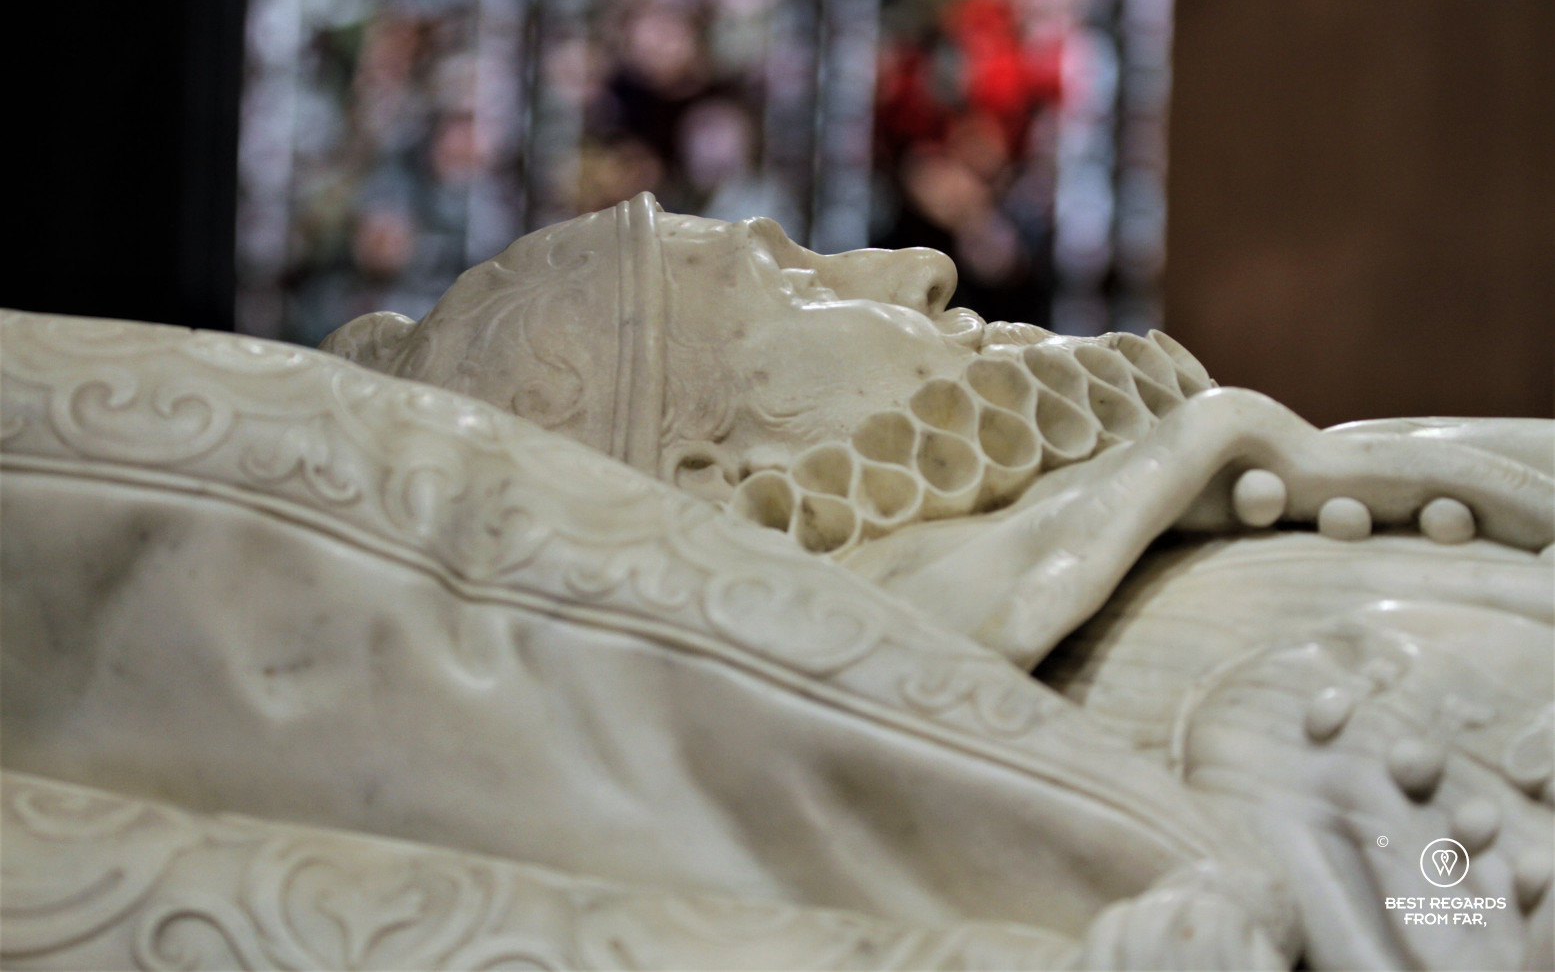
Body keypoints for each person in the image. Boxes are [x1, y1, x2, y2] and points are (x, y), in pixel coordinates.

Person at [1, 196, 1547, 969]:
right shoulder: (1168, 687)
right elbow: (1453, 897)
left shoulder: (1169, 523)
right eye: (790, 283)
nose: (917, 272)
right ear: (710, 489)